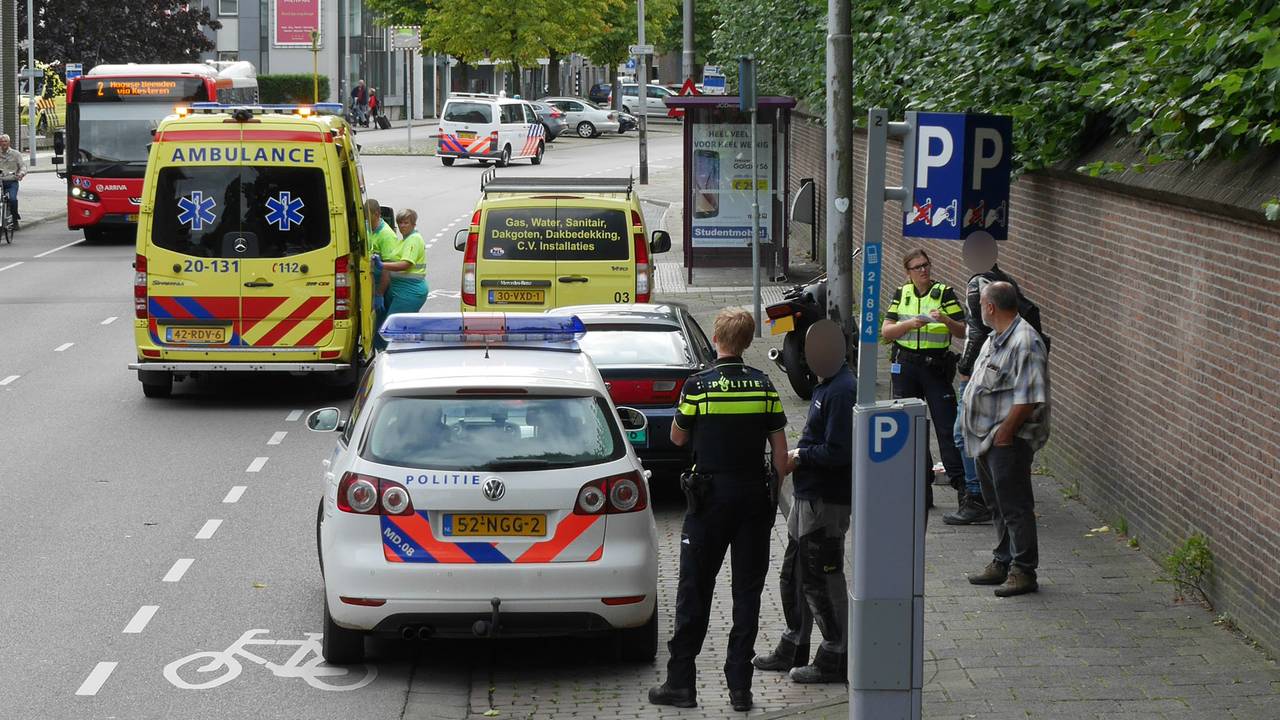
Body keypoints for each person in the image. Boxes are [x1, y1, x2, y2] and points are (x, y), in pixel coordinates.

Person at [648, 307, 789, 714]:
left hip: (709, 500)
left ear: (715, 338)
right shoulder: (764, 385)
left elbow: (677, 438)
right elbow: (781, 457)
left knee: (694, 589)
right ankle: (740, 688)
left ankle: (681, 684)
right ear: (746, 341)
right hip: (752, 500)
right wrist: (772, 496)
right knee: (747, 594)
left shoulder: (698, 386)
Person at [753, 320, 855, 684]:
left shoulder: (841, 391)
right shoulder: (827, 385)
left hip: (825, 500)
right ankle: (794, 644)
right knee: (795, 573)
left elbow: (839, 451)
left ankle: (836, 654)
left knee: (821, 577)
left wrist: (799, 456)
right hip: (809, 495)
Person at [961, 281, 1051, 598]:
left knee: (1015, 506)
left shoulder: (1025, 343)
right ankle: (1003, 561)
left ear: (990, 307)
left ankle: (1023, 570)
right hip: (987, 438)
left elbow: (1029, 397)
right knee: (997, 505)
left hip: (1006, 441)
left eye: (980, 304)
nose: (978, 310)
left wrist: (1005, 434)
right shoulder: (996, 337)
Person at [880, 249, 967, 509]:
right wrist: (909, 325)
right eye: (917, 267)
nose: (923, 270)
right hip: (906, 367)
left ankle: (964, 491)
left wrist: (946, 319)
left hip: (935, 368)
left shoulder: (944, 293)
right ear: (908, 272)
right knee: (911, 430)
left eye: (926, 265)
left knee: (947, 428)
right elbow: (886, 332)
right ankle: (921, 490)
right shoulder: (901, 293)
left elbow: (963, 331)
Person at [945, 232, 1015, 525]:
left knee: (963, 434)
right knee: (981, 430)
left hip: (978, 372)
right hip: (997, 369)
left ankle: (976, 497)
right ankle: (989, 492)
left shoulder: (977, 285)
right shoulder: (1005, 281)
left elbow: (978, 330)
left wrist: (964, 365)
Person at [365, 199, 399, 349]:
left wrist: (379, 293)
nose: (366, 220)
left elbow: (388, 269)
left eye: (369, 216)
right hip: (370, 284)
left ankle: (383, 352)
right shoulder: (368, 229)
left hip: (382, 287)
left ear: (377, 214)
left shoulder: (386, 235)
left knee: (380, 327)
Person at [382, 209, 428, 316]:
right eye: (400, 223)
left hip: (410, 290)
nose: (402, 226)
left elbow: (405, 264)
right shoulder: (404, 240)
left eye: (406, 223)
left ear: (413, 224)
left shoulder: (413, 240)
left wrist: (381, 265)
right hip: (400, 289)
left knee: (395, 324)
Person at [0, 133, 27, 229]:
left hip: (11, 182)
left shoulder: (16, 154)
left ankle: (15, 220)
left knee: (12, 199)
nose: (4, 143)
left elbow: (23, 166)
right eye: (2, 141)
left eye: (5, 141)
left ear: (9, 143)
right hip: (0, 182)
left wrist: (21, 174)